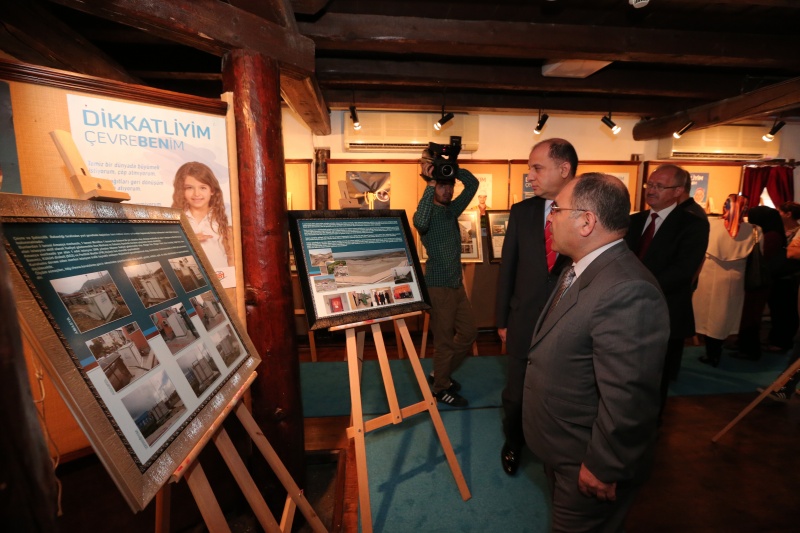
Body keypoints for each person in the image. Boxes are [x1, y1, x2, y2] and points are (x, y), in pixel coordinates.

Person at [523, 173, 668, 532]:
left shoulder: (627, 289)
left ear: (587, 221)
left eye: (556, 209)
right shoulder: (581, 267)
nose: (549, 217)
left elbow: (630, 397)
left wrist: (605, 465)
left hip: (586, 463)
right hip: (563, 449)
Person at [495, 138, 577, 476]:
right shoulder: (522, 212)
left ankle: (552, 447)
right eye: (530, 168)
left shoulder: (587, 212)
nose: (530, 175)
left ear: (564, 169)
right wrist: (501, 319)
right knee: (516, 394)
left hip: (567, 323)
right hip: (523, 320)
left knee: (557, 393)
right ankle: (514, 442)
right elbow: (508, 268)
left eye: (537, 168)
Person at [625, 164, 709, 414]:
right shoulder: (633, 220)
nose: (651, 190)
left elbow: (683, 272)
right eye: (650, 185)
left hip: (663, 310)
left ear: (678, 191)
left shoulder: (692, 225)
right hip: (626, 310)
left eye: (659, 186)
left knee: (655, 377)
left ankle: (651, 425)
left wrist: (637, 288)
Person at [413, 148, 478, 407]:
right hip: (438, 287)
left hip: (455, 285)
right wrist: (431, 183)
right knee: (443, 342)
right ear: (433, 187)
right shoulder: (427, 208)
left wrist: (450, 166)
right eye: (443, 186)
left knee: (469, 332)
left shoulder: (451, 211)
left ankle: (438, 372)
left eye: (449, 186)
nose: (448, 191)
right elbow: (420, 222)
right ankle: (441, 387)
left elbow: (472, 185)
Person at [692, 195, 760, 367]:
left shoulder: (710, 224)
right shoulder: (754, 230)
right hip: (735, 279)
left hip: (708, 274)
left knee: (706, 315)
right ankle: (717, 351)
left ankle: (711, 353)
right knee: (723, 316)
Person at [734, 206, 785, 360]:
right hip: (761, 280)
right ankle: (746, 346)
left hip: (758, 281)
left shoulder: (770, 236)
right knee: (750, 314)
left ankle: (750, 350)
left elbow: (760, 256)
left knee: (751, 315)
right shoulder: (772, 233)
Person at [172, 161, 234, 268]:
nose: (197, 194)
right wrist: (188, 241)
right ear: (181, 190)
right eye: (189, 188)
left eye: (203, 188)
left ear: (212, 190)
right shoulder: (175, 219)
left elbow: (232, 256)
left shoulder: (224, 219)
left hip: (223, 279)